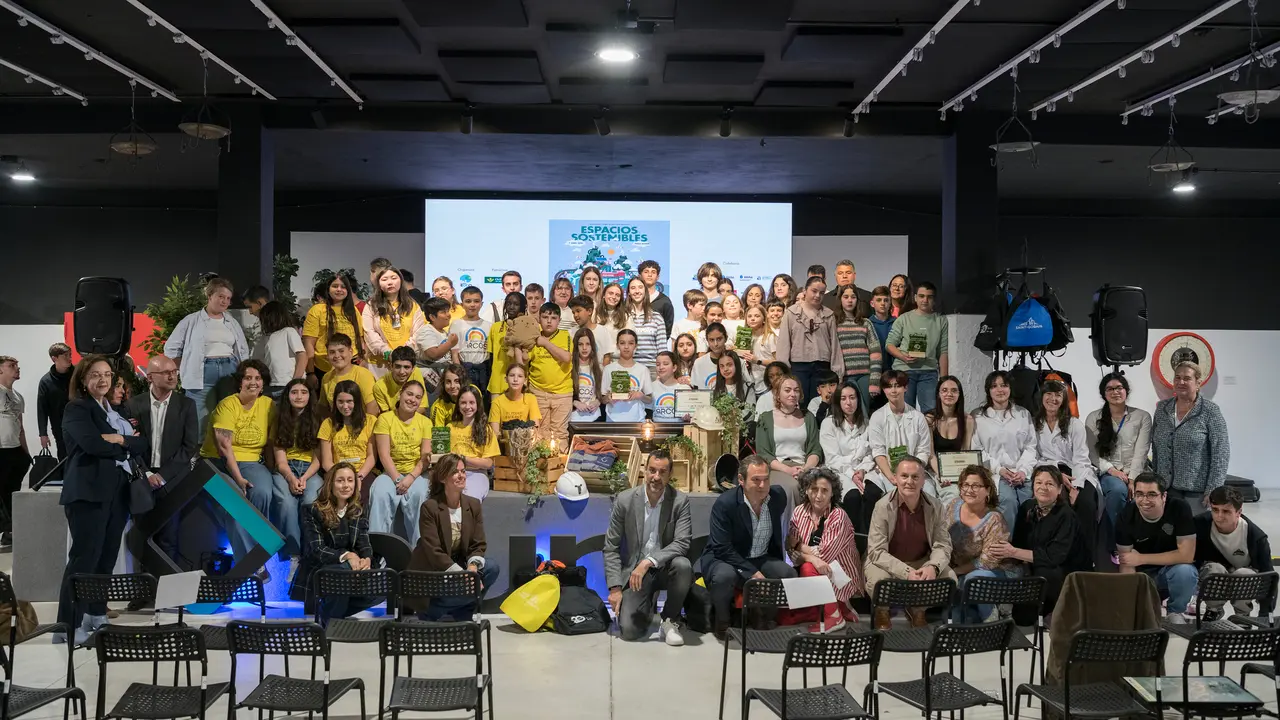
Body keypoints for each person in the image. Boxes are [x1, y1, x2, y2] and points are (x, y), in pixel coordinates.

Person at [56, 355, 149, 642]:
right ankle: (67, 628)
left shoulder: (114, 410)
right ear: (83, 380)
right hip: (88, 493)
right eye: (95, 374)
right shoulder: (77, 408)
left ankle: (96, 617)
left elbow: (141, 443)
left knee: (106, 558)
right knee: (84, 559)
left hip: (117, 493)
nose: (103, 380)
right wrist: (124, 444)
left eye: (107, 374)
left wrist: (120, 440)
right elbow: (92, 444)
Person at [701, 455, 797, 640]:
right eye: (756, 480)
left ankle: (761, 614)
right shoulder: (725, 504)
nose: (762, 486)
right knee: (724, 576)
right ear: (741, 480)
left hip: (760, 555)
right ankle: (722, 622)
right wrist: (752, 573)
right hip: (726, 557)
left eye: (766, 479)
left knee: (788, 574)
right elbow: (721, 547)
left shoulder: (777, 497)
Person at [604, 449, 693, 644]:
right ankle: (647, 605)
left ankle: (669, 620)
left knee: (683, 565)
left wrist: (648, 562)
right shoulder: (625, 500)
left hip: (665, 568)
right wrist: (615, 588)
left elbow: (682, 542)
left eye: (662, 472)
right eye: (652, 470)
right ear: (645, 470)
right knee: (629, 631)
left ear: (670, 474)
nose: (656, 477)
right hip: (636, 574)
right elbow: (611, 547)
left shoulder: (680, 501)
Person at [125, 355, 199, 577]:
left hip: (172, 481)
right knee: (141, 538)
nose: (172, 376)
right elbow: (128, 444)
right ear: (150, 377)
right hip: (141, 479)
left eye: (174, 371)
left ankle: (166, 593)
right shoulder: (132, 405)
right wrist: (146, 473)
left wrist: (163, 476)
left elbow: (189, 447)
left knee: (169, 538)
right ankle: (142, 593)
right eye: (166, 372)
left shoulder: (186, 405)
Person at [198, 359, 275, 568]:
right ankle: (254, 563)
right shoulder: (228, 405)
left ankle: (256, 550)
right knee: (235, 501)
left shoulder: (268, 405)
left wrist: (271, 468)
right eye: (248, 378)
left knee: (262, 492)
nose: (253, 382)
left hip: (251, 461)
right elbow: (224, 447)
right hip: (217, 464)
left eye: (258, 378)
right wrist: (238, 478)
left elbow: (272, 442)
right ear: (239, 382)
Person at [864, 455, 956, 630]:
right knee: (878, 581)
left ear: (923, 480)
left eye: (915, 477)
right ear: (895, 479)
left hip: (921, 560)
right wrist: (906, 572)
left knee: (950, 579)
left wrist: (933, 567)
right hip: (886, 561)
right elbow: (876, 551)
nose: (909, 481)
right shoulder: (882, 506)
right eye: (904, 476)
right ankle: (882, 610)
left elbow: (943, 544)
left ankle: (918, 608)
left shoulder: (936, 506)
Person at [989, 465, 1086, 625]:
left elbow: (1054, 557)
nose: (1043, 487)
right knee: (1021, 618)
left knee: (1046, 575)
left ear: (1060, 488)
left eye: (1049, 484)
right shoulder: (1027, 507)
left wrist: (1013, 552)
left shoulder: (1066, 516)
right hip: (1034, 567)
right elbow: (1019, 542)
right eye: (1039, 482)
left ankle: (1057, 611)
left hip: (1061, 572)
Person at [408, 454, 500, 620]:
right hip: (435, 573)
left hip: (459, 573)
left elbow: (478, 544)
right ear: (443, 478)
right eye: (455, 472)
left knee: (491, 567)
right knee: (469, 582)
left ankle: (462, 609)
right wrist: (464, 575)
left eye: (463, 471)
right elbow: (433, 551)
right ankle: (434, 608)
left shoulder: (473, 505)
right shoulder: (430, 507)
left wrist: (472, 567)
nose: (461, 475)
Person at [295, 463, 378, 624]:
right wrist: (348, 556)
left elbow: (364, 542)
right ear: (330, 484)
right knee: (342, 573)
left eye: (350, 480)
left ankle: (330, 613)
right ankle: (333, 620)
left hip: (349, 571)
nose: (346, 485)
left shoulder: (358, 510)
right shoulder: (312, 510)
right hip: (321, 568)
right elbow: (317, 550)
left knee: (380, 585)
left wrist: (366, 559)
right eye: (340, 480)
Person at [164, 277, 250, 428]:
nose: (224, 301)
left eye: (228, 298)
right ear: (210, 296)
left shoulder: (232, 322)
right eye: (221, 296)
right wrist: (183, 367)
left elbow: (242, 350)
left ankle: (223, 451)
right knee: (200, 419)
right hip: (202, 374)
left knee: (227, 417)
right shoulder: (191, 320)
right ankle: (199, 451)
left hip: (229, 371)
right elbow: (171, 348)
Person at [787, 467, 863, 632]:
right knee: (786, 617)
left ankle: (834, 616)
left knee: (809, 568)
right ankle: (841, 606)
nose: (818, 495)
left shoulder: (838, 516)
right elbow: (789, 550)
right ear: (806, 490)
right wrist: (809, 556)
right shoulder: (799, 512)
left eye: (824, 490)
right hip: (819, 568)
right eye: (814, 489)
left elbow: (824, 556)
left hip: (842, 574)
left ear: (832, 493)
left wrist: (800, 546)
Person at [1115, 472, 1198, 622]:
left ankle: (1175, 613)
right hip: (1144, 576)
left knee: (1185, 571)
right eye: (1139, 494)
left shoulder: (1179, 508)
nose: (1145, 500)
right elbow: (1126, 562)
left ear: (1164, 496)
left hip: (1170, 571)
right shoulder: (1126, 515)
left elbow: (1187, 555)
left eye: (1152, 494)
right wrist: (1129, 600)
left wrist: (1140, 558)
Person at [1035, 379, 1100, 567]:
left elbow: (1081, 458)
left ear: (1064, 399)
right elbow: (1034, 456)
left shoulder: (1075, 424)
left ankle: (1086, 562)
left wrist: (1076, 487)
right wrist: (1055, 474)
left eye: (1058, 395)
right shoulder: (1034, 424)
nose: (1053, 399)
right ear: (1041, 397)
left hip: (1076, 472)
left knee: (1085, 503)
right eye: (1048, 394)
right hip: (1047, 471)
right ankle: (1052, 558)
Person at [1152, 361, 1229, 515]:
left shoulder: (1210, 411)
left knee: (1195, 534)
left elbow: (1221, 452)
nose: (1181, 382)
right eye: (1177, 377)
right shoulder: (1162, 409)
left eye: (1187, 378)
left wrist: (1213, 488)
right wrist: (1156, 484)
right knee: (1168, 534)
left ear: (1198, 383)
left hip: (1197, 492)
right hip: (1166, 489)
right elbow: (1156, 448)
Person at [945, 465, 1016, 623]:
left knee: (974, 579)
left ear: (988, 490)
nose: (969, 490)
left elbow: (986, 561)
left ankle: (992, 618)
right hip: (958, 571)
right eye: (965, 485)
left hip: (990, 573)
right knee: (954, 619)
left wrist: (955, 572)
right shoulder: (953, 506)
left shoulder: (994, 519)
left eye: (976, 486)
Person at [368, 379, 433, 546]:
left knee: (420, 495)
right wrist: (398, 479)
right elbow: (384, 454)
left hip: (417, 473)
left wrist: (410, 478)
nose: (412, 399)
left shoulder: (425, 422)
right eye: (409, 394)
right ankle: (377, 551)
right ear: (400, 394)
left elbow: (425, 458)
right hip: (390, 472)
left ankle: (419, 552)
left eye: (418, 397)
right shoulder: (385, 419)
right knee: (379, 493)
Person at [1195, 486, 1274, 620]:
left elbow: (1269, 577)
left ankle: (1243, 616)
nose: (1219, 516)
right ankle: (1213, 610)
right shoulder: (1200, 524)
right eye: (1215, 510)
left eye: (1226, 511)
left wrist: (1266, 615)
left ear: (1239, 512)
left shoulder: (1256, 537)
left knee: (1245, 573)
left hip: (1244, 579)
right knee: (1214, 568)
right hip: (1214, 575)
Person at [971, 370, 1037, 532]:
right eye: (994, 386)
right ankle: (1007, 548)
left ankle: (1028, 549)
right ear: (988, 390)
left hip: (1021, 472)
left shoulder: (1023, 414)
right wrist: (999, 469)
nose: (1000, 390)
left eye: (1004, 385)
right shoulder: (978, 416)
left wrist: (1022, 470)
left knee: (1029, 502)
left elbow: (1030, 446)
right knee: (1008, 501)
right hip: (995, 472)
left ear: (1010, 388)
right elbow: (976, 450)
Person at [1086, 372, 1151, 531]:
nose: (1115, 392)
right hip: (1108, 471)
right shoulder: (1094, 418)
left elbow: (1141, 451)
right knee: (1116, 491)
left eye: (1119, 388)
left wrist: (1132, 479)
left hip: (1137, 470)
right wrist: (1112, 470)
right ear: (1104, 394)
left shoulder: (1142, 416)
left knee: (1148, 495)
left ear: (1126, 391)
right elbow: (1092, 453)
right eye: (1110, 389)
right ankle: (1119, 542)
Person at [270, 378, 323, 574]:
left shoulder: (318, 420)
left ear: (310, 396)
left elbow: (319, 460)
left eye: (303, 392)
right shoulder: (279, 420)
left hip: (310, 470)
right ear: (287, 396)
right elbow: (280, 460)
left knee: (310, 500)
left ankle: (311, 553)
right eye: (294, 392)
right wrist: (292, 478)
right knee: (285, 501)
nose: (299, 396)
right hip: (286, 470)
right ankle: (293, 555)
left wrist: (304, 478)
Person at [824, 379, 877, 552]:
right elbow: (832, 458)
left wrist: (862, 470)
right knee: (853, 497)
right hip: (839, 472)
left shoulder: (866, 423)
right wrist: (852, 473)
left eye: (852, 397)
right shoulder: (829, 424)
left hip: (863, 471)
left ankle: (873, 545)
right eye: (844, 398)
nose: (849, 402)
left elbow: (870, 453)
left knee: (873, 493)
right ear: (838, 401)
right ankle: (854, 546)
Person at [755, 374, 821, 505]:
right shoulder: (765, 418)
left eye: (796, 390)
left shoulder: (808, 417)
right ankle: (794, 525)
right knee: (792, 487)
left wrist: (805, 468)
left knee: (822, 486)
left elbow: (815, 450)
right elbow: (764, 454)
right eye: (787, 390)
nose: (792, 394)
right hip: (778, 468)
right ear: (777, 394)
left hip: (804, 467)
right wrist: (788, 470)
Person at [867, 369, 934, 496]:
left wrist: (912, 475)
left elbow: (923, 451)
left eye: (897, 386)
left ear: (906, 388)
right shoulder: (877, 417)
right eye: (889, 386)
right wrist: (892, 477)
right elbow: (878, 452)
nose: (893, 391)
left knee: (929, 494)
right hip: (889, 472)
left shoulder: (918, 417)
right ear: (883, 390)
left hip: (916, 472)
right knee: (895, 496)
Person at [884, 281, 948, 414]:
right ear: (915, 298)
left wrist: (944, 380)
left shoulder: (941, 320)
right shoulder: (903, 318)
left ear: (934, 299)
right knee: (904, 412)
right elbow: (889, 344)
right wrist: (903, 357)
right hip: (904, 370)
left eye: (929, 297)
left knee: (931, 412)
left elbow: (943, 351)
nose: (925, 300)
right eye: (921, 296)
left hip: (929, 372)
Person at [776, 276, 838, 402]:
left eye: (821, 293)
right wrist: (783, 369)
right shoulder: (791, 313)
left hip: (822, 366)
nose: (817, 295)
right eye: (814, 291)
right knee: (799, 402)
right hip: (799, 366)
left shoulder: (828, 315)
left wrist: (837, 371)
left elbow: (834, 345)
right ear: (805, 291)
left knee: (821, 403)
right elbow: (784, 343)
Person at [526, 302, 574, 447]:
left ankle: (559, 468)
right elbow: (524, 360)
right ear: (539, 319)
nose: (549, 321)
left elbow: (566, 357)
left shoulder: (565, 335)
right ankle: (543, 468)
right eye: (545, 317)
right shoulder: (533, 338)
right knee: (540, 433)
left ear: (559, 320)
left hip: (562, 393)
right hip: (538, 392)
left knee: (560, 434)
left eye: (553, 318)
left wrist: (545, 343)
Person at [317, 380, 377, 492]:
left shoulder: (370, 421)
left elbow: (372, 456)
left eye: (349, 401)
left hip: (363, 472)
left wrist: (358, 476)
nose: (345, 406)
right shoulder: (328, 423)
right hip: (336, 472)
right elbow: (326, 462)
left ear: (357, 401)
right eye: (340, 401)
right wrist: (344, 478)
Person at [303, 272, 364, 378]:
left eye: (343, 287)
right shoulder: (317, 310)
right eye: (335, 286)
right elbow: (308, 343)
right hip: (323, 368)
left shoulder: (353, 311)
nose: (339, 289)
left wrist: (362, 357)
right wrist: (310, 372)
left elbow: (361, 338)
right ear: (328, 289)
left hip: (351, 366)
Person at [832, 284, 881, 413]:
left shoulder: (865, 322)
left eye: (853, 297)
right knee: (850, 411)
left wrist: (875, 381)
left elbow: (875, 352)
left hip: (865, 375)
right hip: (845, 376)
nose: (849, 300)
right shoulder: (834, 322)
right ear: (840, 299)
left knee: (864, 411)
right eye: (846, 297)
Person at [447, 386, 499, 500]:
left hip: (477, 474)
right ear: (458, 405)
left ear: (478, 405)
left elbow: (489, 463)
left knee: (468, 498)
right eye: (463, 403)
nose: (467, 407)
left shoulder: (486, 430)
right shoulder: (450, 427)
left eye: (472, 402)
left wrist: (463, 458)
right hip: (452, 473)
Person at [926, 376, 972, 500]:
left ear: (959, 394)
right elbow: (931, 455)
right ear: (938, 394)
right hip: (933, 471)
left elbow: (965, 452)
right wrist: (941, 475)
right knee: (927, 495)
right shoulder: (929, 419)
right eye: (944, 390)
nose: (949, 394)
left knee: (954, 495)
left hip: (956, 472)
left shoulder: (967, 420)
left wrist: (959, 477)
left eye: (954, 390)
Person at [0, 357, 30, 547]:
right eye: (11, 366)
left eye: (17, 366)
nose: (17, 369)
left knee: (12, 492)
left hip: (15, 451)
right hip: (0, 449)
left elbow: (20, 427)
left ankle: (9, 532)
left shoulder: (18, 396)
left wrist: (26, 453)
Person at [253, 300, 307, 399]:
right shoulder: (265, 338)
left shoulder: (289, 332)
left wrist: (295, 381)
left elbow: (302, 356)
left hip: (287, 383)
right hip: (270, 385)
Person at [318, 334, 378, 416]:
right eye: (332, 352)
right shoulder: (326, 378)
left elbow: (372, 408)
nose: (337, 356)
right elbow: (323, 408)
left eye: (341, 351)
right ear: (327, 356)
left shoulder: (363, 374)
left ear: (350, 352)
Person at [448, 286, 493, 394]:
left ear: (481, 304)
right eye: (468, 301)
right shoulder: (456, 324)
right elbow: (454, 353)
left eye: (476, 301)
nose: (472, 305)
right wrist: (459, 374)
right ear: (462, 304)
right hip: (464, 369)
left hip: (484, 371)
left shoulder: (489, 326)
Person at [484, 292, 527, 398]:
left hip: (519, 382)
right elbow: (491, 357)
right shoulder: (495, 327)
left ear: (523, 307)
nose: (511, 307)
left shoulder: (529, 328)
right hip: (497, 382)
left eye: (516, 304)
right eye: (508, 303)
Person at [604, 330, 652, 423]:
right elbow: (603, 399)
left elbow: (649, 400)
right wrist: (608, 397)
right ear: (617, 345)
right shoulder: (608, 369)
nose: (626, 347)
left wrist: (640, 395)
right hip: (613, 419)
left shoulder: (643, 369)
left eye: (630, 343)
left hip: (637, 419)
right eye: (622, 343)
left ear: (635, 346)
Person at [37, 342, 74, 461]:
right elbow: (42, 409)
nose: (69, 358)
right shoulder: (46, 381)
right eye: (65, 356)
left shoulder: (78, 375)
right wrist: (43, 434)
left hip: (81, 421)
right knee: (64, 457)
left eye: (70, 355)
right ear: (54, 358)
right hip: (60, 426)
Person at [414, 296, 458, 390]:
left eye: (448, 311)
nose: (448, 315)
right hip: (430, 377)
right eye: (443, 312)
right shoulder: (426, 331)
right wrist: (450, 343)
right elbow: (433, 354)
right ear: (432, 317)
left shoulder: (443, 332)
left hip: (443, 374)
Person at [625, 277, 667, 374]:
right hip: (628, 368)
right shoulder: (623, 317)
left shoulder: (657, 317)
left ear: (645, 291)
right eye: (633, 288)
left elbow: (662, 349)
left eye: (640, 287)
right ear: (629, 293)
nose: (637, 291)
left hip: (652, 369)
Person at [490, 364, 540, 437]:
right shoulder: (497, 401)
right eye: (512, 375)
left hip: (526, 441)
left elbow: (535, 428)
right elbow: (495, 433)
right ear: (506, 379)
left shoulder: (531, 399)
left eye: (520, 376)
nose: (515, 379)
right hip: (504, 442)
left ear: (525, 380)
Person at [373, 347, 425, 415]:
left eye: (406, 367)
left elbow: (422, 408)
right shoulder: (379, 386)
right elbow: (386, 415)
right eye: (398, 366)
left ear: (413, 368)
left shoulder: (416, 372)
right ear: (391, 366)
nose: (402, 372)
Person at [568, 295, 614, 366]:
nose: (575, 315)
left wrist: (603, 374)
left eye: (578, 311)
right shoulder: (571, 332)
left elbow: (607, 357)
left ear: (589, 311)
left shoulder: (602, 331)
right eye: (573, 312)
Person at [570, 329, 605, 423]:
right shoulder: (569, 367)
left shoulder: (599, 368)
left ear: (592, 346)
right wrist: (575, 402)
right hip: (574, 418)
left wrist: (597, 402)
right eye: (580, 344)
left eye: (588, 344)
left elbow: (603, 393)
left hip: (595, 418)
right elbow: (563, 394)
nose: (584, 348)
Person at [650, 351, 691, 423]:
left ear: (674, 368)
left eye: (665, 364)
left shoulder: (684, 388)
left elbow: (691, 415)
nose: (661, 367)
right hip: (656, 430)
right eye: (658, 364)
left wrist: (688, 418)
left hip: (679, 430)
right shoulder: (651, 387)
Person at [638, 260, 675, 337]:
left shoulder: (664, 301)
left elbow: (667, 330)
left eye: (653, 272)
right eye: (646, 272)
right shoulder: (633, 299)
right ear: (640, 276)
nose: (650, 275)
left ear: (657, 277)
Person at [713, 351, 755, 416]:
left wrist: (730, 419)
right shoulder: (714, 389)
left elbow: (750, 413)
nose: (725, 369)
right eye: (722, 366)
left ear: (737, 365)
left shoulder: (748, 388)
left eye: (729, 365)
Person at [691, 322, 727, 389]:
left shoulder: (736, 360)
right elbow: (695, 390)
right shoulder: (699, 363)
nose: (715, 344)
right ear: (707, 341)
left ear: (726, 338)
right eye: (711, 340)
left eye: (719, 339)